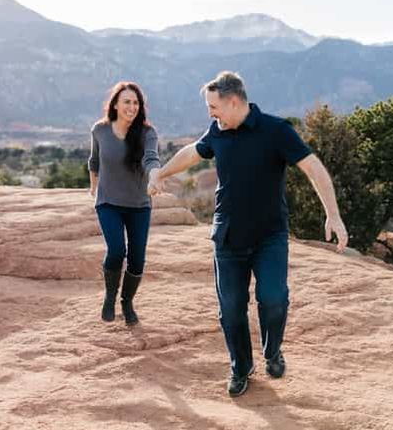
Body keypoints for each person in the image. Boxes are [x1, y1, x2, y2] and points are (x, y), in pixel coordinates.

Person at [149, 71, 348, 397]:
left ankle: (272, 352)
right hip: (227, 236)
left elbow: (313, 168)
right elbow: (193, 152)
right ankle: (241, 367)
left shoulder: (276, 130)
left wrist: (333, 215)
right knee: (231, 309)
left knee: (273, 300)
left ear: (233, 102)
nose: (210, 114)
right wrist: (162, 173)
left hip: (270, 236)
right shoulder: (218, 130)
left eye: (214, 107)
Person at [88, 81, 161, 325]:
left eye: (136, 102)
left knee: (137, 258)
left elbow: (151, 158)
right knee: (117, 249)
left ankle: (127, 301)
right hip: (108, 202)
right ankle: (110, 296)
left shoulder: (147, 133)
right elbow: (94, 160)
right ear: (116, 105)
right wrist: (93, 187)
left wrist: (154, 177)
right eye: (127, 102)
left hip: (139, 204)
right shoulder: (100, 130)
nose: (132, 106)